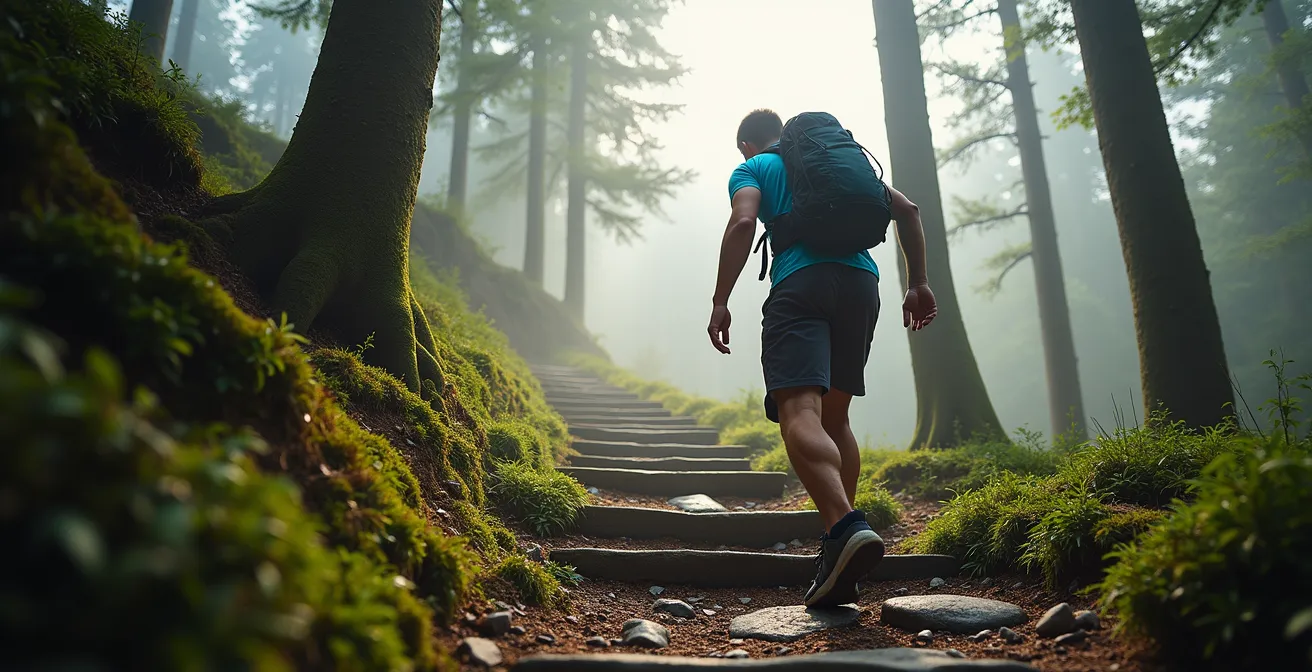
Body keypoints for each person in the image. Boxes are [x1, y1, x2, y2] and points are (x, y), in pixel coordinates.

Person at [707, 109, 938, 608]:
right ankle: (843, 546)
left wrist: (721, 299)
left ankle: (844, 526)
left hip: (801, 284)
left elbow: (744, 221)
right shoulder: (832, 158)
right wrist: (918, 282)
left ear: (746, 145)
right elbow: (910, 210)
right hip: (861, 283)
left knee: (798, 411)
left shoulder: (753, 169)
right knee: (836, 416)